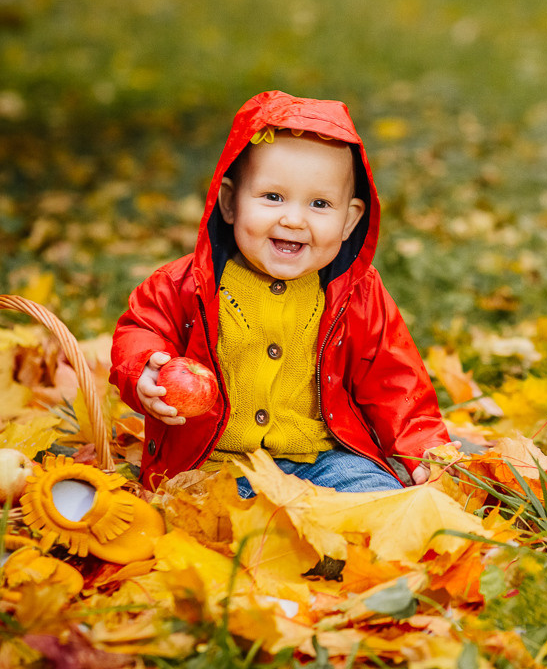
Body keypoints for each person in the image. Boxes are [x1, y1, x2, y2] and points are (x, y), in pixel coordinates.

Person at [110, 90, 451, 495]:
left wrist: (425, 447)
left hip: (323, 460)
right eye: (273, 197)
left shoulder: (357, 294)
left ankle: (340, 544)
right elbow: (142, 328)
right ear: (230, 203)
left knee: (377, 501)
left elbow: (395, 380)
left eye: (320, 204)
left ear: (349, 221)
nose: (293, 219)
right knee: (198, 524)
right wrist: (146, 369)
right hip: (214, 465)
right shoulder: (185, 283)